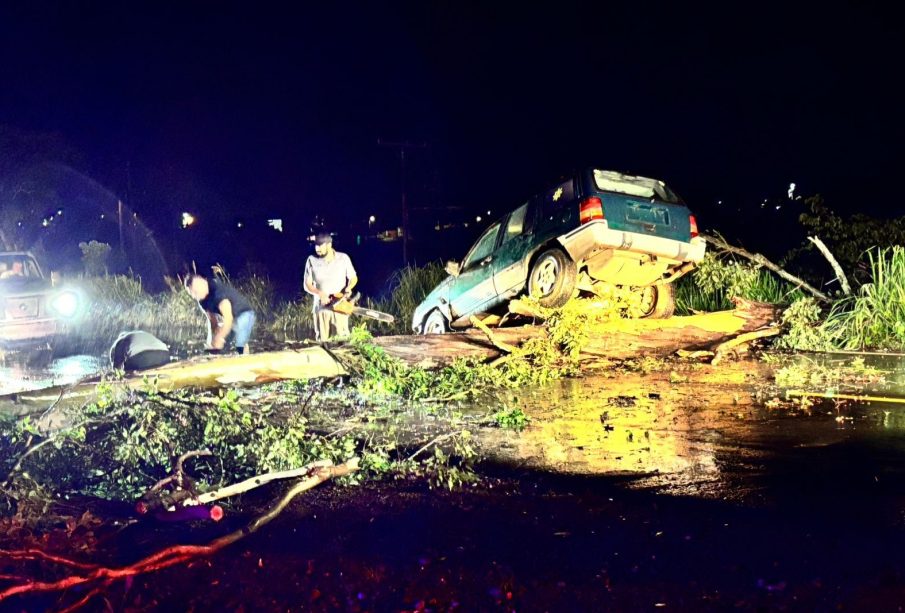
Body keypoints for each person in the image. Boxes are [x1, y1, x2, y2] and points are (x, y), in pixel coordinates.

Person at [303, 232, 358, 341]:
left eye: (320, 245)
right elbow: (307, 284)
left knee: (342, 342)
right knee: (322, 344)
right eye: (315, 245)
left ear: (329, 245)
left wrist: (349, 287)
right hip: (321, 309)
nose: (317, 248)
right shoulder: (311, 260)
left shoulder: (343, 258)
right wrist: (320, 293)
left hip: (340, 307)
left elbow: (353, 277)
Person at [184, 273, 256, 354]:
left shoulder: (218, 293)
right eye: (191, 294)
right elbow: (212, 321)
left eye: (195, 292)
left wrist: (220, 337)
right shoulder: (201, 300)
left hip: (245, 314)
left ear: (203, 283)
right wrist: (212, 341)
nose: (194, 296)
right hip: (232, 320)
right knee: (218, 343)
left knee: (239, 341)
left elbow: (228, 318)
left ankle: (244, 357)